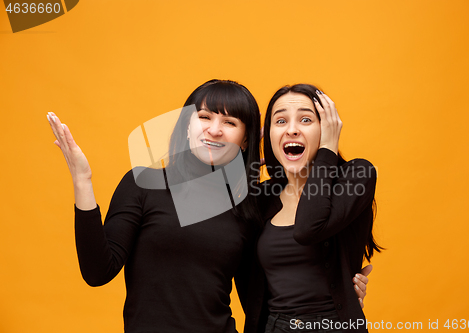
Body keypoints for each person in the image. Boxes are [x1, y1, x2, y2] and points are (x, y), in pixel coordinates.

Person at [46, 79, 371, 333]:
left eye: (230, 122)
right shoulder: (143, 183)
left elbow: (270, 281)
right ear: (187, 125)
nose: (214, 129)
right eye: (203, 117)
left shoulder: (251, 202)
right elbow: (98, 270)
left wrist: (344, 288)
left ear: (245, 138)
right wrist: (83, 182)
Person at [245, 84, 382, 333]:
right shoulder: (262, 196)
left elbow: (308, 228)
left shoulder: (357, 176)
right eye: (281, 121)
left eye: (306, 119)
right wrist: (241, 167)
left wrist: (327, 149)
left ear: (326, 128)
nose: (292, 129)